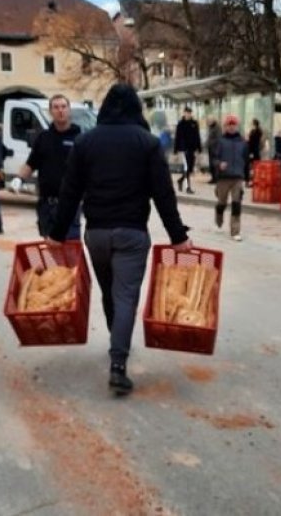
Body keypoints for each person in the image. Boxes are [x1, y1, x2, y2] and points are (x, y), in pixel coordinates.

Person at [47, 84, 192, 396]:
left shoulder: (85, 142)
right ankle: (118, 364)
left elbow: (69, 192)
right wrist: (178, 236)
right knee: (125, 296)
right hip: (132, 234)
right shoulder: (148, 143)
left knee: (110, 292)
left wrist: (57, 233)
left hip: (96, 233)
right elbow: (163, 194)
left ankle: (117, 336)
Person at [10, 94, 82, 239]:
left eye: (63, 107)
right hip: (47, 205)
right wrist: (19, 179)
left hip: (69, 204)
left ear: (69, 110)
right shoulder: (43, 138)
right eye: (56, 107)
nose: (60, 110)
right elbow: (31, 163)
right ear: (50, 111)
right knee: (49, 250)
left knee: (71, 251)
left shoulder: (79, 138)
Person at [212, 115, 249, 242]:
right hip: (223, 177)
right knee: (222, 202)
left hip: (238, 177)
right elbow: (214, 159)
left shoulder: (243, 142)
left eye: (234, 124)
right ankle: (219, 216)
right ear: (225, 126)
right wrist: (219, 164)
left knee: (236, 203)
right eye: (229, 124)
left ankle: (235, 231)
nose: (231, 127)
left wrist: (247, 177)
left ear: (237, 126)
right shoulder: (220, 141)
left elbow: (246, 160)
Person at [174, 106, 201, 194]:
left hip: (192, 149)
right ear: (184, 113)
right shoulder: (180, 124)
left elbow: (197, 136)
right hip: (184, 149)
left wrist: (199, 148)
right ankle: (187, 187)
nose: (188, 114)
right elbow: (177, 137)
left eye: (189, 113)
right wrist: (176, 150)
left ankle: (180, 180)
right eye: (187, 113)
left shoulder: (194, 123)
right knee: (186, 168)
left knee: (190, 168)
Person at [205, 117, 222, 184]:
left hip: (215, 149)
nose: (208, 123)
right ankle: (213, 178)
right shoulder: (211, 128)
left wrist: (211, 143)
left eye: (209, 121)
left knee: (215, 164)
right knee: (211, 164)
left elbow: (218, 138)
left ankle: (216, 178)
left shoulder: (217, 128)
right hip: (211, 149)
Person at [246, 118, 263, 186]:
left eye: (251, 123)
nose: (250, 125)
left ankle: (253, 181)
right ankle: (252, 180)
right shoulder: (254, 131)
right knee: (252, 167)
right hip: (253, 151)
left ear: (254, 124)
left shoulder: (256, 132)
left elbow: (252, 142)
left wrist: (248, 138)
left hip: (253, 151)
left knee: (253, 167)